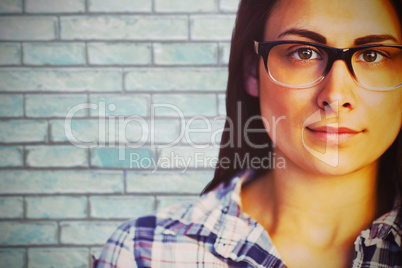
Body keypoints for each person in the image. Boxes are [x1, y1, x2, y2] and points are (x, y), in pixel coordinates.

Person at [94, 0, 402, 266]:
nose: (335, 96)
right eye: (304, 53)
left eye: (372, 55)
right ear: (252, 72)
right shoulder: (146, 254)